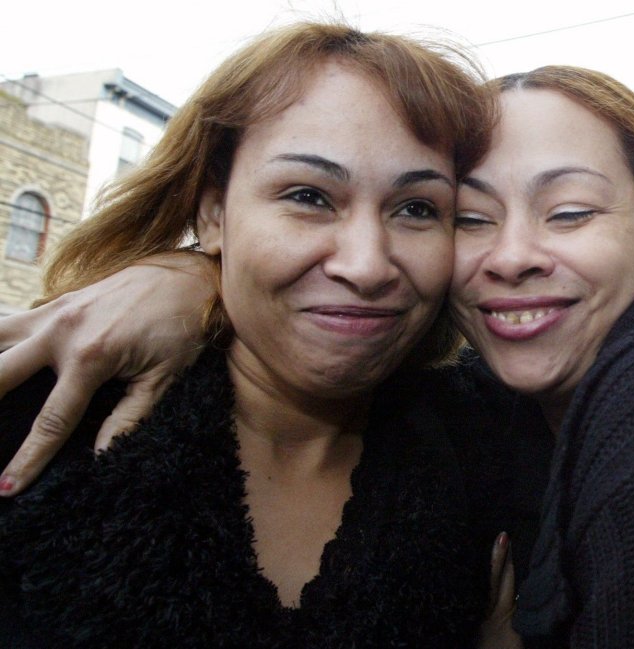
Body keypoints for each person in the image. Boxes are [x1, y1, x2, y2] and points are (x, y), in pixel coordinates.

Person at [3, 63, 634, 648]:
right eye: (466, 217)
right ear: (215, 207)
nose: (508, 255)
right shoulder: (512, 417)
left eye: (570, 211)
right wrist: (193, 278)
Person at [0, 20, 531, 648]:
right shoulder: (45, 416)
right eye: (308, 196)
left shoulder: (495, 454)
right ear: (213, 212)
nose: (365, 265)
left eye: (417, 208)